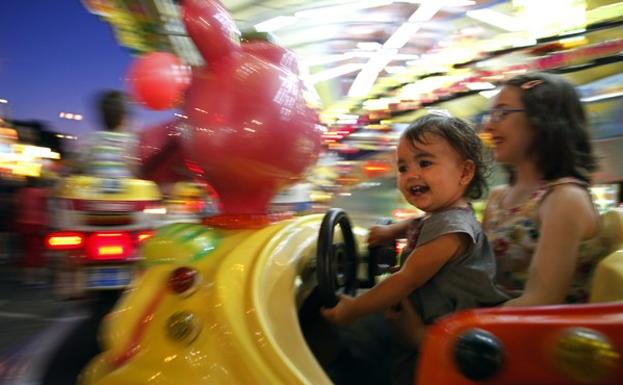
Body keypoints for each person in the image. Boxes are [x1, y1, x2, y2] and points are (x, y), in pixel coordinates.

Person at [321, 113, 508, 385]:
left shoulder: (452, 229)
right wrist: (392, 231)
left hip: (441, 334)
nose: (411, 175)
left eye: (424, 162)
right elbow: (421, 222)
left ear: (465, 172)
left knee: (356, 341)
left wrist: (355, 309)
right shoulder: (446, 214)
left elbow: (407, 279)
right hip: (426, 323)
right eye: (403, 167)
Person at [482, 72, 600, 305]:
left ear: (541, 119)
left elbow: (541, 301)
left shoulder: (564, 198)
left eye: (502, 113)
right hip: (492, 331)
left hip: (539, 337)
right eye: (491, 114)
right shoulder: (497, 198)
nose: (489, 125)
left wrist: (456, 322)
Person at [82, 90, 138, 179]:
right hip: (123, 190)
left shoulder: (92, 140)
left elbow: (83, 165)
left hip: (94, 190)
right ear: (122, 117)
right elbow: (133, 169)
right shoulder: (129, 142)